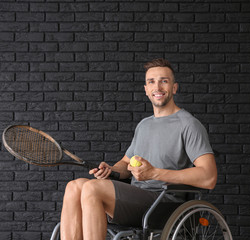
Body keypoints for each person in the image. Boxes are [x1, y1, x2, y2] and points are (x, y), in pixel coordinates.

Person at [59, 58, 217, 240]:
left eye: (164, 81)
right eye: (151, 82)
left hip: (164, 203)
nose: (157, 87)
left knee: (92, 189)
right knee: (74, 186)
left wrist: (155, 173)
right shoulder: (144, 125)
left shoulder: (189, 125)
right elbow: (126, 164)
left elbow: (209, 177)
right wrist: (111, 170)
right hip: (136, 199)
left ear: (174, 88)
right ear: (146, 90)